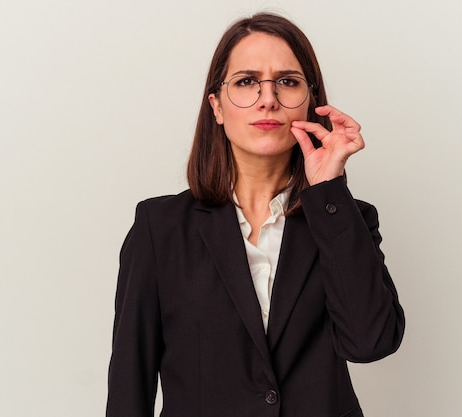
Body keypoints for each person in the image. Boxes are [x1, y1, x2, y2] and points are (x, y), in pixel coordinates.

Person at [106, 12, 405, 417]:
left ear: (310, 103)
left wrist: (328, 193)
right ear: (216, 107)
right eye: (246, 81)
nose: (268, 98)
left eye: (287, 81)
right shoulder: (160, 229)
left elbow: (370, 343)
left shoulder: (344, 219)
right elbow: (129, 384)